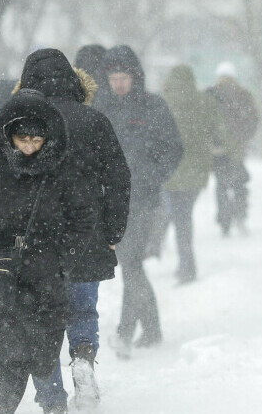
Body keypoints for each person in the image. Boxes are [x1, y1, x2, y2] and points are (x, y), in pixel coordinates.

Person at [0, 89, 96, 414]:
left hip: (43, 280)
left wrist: (60, 260)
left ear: (48, 137)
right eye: (22, 139)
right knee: (3, 361)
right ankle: (7, 407)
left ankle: (49, 405)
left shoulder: (61, 166)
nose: (28, 147)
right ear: (8, 133)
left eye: (36, 140)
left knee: (39, 358)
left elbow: (83, 217)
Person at [16, 48, 131, 410]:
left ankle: (51, 397)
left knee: (39, 320)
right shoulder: (94, 120)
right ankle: (82, 357)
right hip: (87, 234)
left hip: (35, 243)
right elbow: (118, 178)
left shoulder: (20, 124)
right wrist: (112, 231)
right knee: (83, 310)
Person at [93, 45, 183, 359]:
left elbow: (173, 149)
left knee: (131, 264)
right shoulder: (99, 109)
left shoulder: (153, 107)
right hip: (112, 201)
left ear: (135, 77)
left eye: (124, 77)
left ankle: (125, 332)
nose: (118, 83)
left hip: (145, 200)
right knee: (132, 265)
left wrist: (150, 174)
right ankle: (152, 328)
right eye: (113, 77)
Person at [157, 64, 224, 284]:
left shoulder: (162, 102)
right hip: (196, 173)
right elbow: (218, 130)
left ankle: (186, 265)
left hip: (169, 172)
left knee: (178, 217)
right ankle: (186, 263)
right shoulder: (205, 102)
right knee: (183, 217)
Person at [206, 62, 259, 236]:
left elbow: (203, 121)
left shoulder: (210, 95)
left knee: (221, 186)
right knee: (239, 184)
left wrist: (212, 142)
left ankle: (224, 222)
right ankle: (241, 217)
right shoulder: (243, 95)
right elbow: (253, 120)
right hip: (237, 149)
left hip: (218, 151)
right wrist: (243, 139)